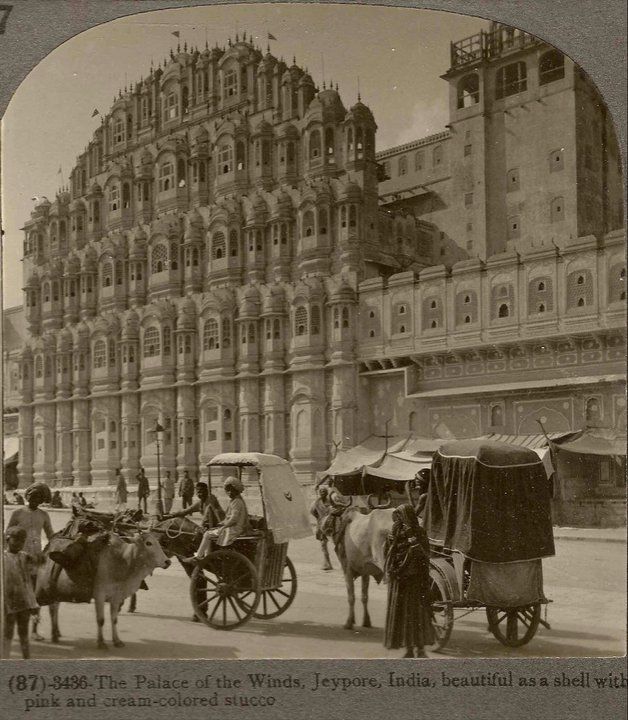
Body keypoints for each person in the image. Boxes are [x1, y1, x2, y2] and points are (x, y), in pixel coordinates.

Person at [383, 503, 434, 659]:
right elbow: (388, 553)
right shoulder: (395, 531)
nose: (398, 519)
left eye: (401, 516)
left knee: (416, 615)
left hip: (415, 581)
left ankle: (420, 649)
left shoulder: (419, 532)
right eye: (397, 516)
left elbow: (426, 555)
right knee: (403, 616)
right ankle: (409, 649)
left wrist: (414, 544)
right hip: (400, 581)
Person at [6, 482, 54, 641]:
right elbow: (7, 535)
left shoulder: (44, 515)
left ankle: (34, 630)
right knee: (15, 593)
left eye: (37, 498)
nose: (33, 500)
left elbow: (51, 536)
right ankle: (11, 629)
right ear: (27, 496)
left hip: (36, 560)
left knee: (35, 596)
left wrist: (47, 552)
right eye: (31, 497)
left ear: (41, 501)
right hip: (18, 559)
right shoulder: (17, 513)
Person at [183, 476, 248, 563]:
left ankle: (199, 556)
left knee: (207, 534)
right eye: (227, 490)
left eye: (230, 490)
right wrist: (223, 523)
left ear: (235, 490)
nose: (228, 492)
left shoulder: (236, 502)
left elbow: (234, 519)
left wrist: (224, 525)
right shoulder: (236, 500)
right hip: (235, 527)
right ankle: (206, 554)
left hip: (234, 529)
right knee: (211, 531)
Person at [2, 527, 39, 659]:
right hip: (7, 605)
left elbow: (28, 583)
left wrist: (33, 605)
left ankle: (26, 662)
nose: (19, 543)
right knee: (7, 634)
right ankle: (5, 662)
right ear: (7, 539)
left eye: (22, 541)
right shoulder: (2, 558)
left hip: (23, 603)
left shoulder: (24, 557)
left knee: (24, 634)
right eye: (16, 540)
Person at [310, 485, 333, 571]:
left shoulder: (330, 501)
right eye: (321, 491)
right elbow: (312, 511)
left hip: (330, 524)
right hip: (321, 525)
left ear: (327, 493)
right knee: (323, 545)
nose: (322, 493)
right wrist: (319, 518)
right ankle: (327, 563)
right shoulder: (316, 502)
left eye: (324, 491)